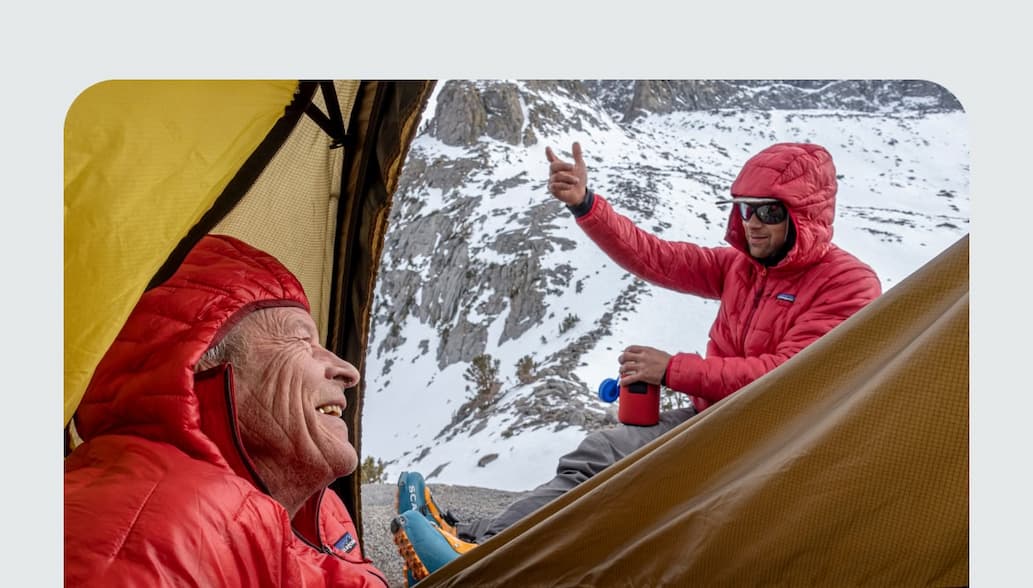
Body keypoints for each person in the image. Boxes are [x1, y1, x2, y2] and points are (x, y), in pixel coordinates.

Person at [389, 141, 883, 584]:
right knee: (598, 455)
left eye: (769, 211)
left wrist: (672, 369)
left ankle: (474, 560)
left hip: (773, 438)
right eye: (745, 208)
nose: (752, 221)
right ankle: (468, 538)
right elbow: (657, 257)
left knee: (607, 457)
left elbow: (787, 377)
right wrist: (586, 205)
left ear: (805, 215)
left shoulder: (848, 285)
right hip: (719, 419)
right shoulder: (743, 266)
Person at [64, 235, 389, 587]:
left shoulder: (320, 514)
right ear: (199, 363)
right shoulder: (156, 535)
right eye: (300, 340)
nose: (348, 371)